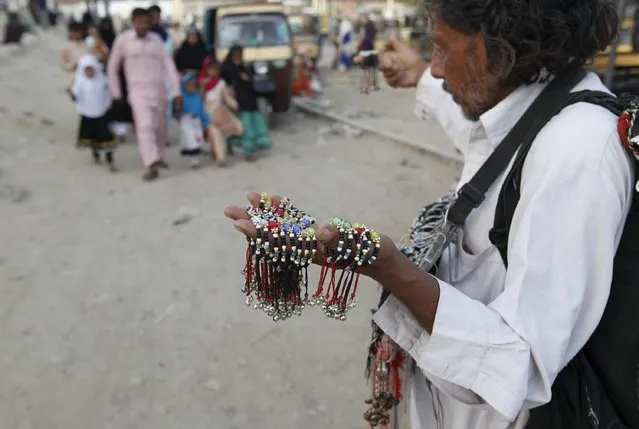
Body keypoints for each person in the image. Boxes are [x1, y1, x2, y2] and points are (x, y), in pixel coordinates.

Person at [226, 1, 634, 429]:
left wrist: (391, 269)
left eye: (442, 48)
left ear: (501, 49)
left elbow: (520, 365)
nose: (437, 70)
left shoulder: (576, 151)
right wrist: (415, 73)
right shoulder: (528, 108)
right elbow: (479, 139)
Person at [107, 8, 181, 182]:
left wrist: (177, 91)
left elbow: (169, 65)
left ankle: (159, 157)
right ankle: (151, 163)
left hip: (159, 91)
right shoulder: (123, 40)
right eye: (138, 22)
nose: (142, 26)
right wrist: (116, 91)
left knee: (160, 128)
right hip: (138, 92)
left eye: (145, 22)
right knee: (145, 126)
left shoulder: (156, 41)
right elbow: (112, 67)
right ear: (133, 22)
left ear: (150, 23)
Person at [221, 45, 271, 161]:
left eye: (240, 56)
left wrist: (247, 79)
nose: (239, 58)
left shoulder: (244, 68)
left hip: (249, 101)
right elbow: (226, 86)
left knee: (252, 125)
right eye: (236, 56)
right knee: (242, 126)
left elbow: (251, 82)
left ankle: (251, 149)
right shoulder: (226, 69)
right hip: (237, 102)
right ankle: (248, 152)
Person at [69, 54, 117, 171]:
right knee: (92, 137)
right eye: (87, 70)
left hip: (102, 113)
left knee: (106, 137)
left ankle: (109, 159)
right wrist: (71, 94)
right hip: (88, 115)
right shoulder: (80, 82)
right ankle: (95, 154)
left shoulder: (102, 80)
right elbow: (76, 96)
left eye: (91, 69)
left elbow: (110, 94)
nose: (90, 72)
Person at [178, 73, 227, 167]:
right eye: (189, 85)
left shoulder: (197, 97)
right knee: (191, 138)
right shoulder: (182, 97)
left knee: (197, 139)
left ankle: (195, 157)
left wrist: (208, 120)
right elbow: (176, 110)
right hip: (186, 121)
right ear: (184, 86)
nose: (191, 87)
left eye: (193, 85)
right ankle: (194, 161)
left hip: (196, 122)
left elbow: (201, 111)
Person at [200, 59, 243, 148]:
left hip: (219, 111)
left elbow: (226, 96)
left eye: (216, 69)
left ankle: (221, 156)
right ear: (206, 70)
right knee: (212, 132)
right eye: (211, 69)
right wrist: (203, 87)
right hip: (207, 111)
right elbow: (200, 97)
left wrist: (234, 104)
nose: (214, 72)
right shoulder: (203, 83)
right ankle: (216, 152)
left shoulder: (221, 83)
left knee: (218, 131)